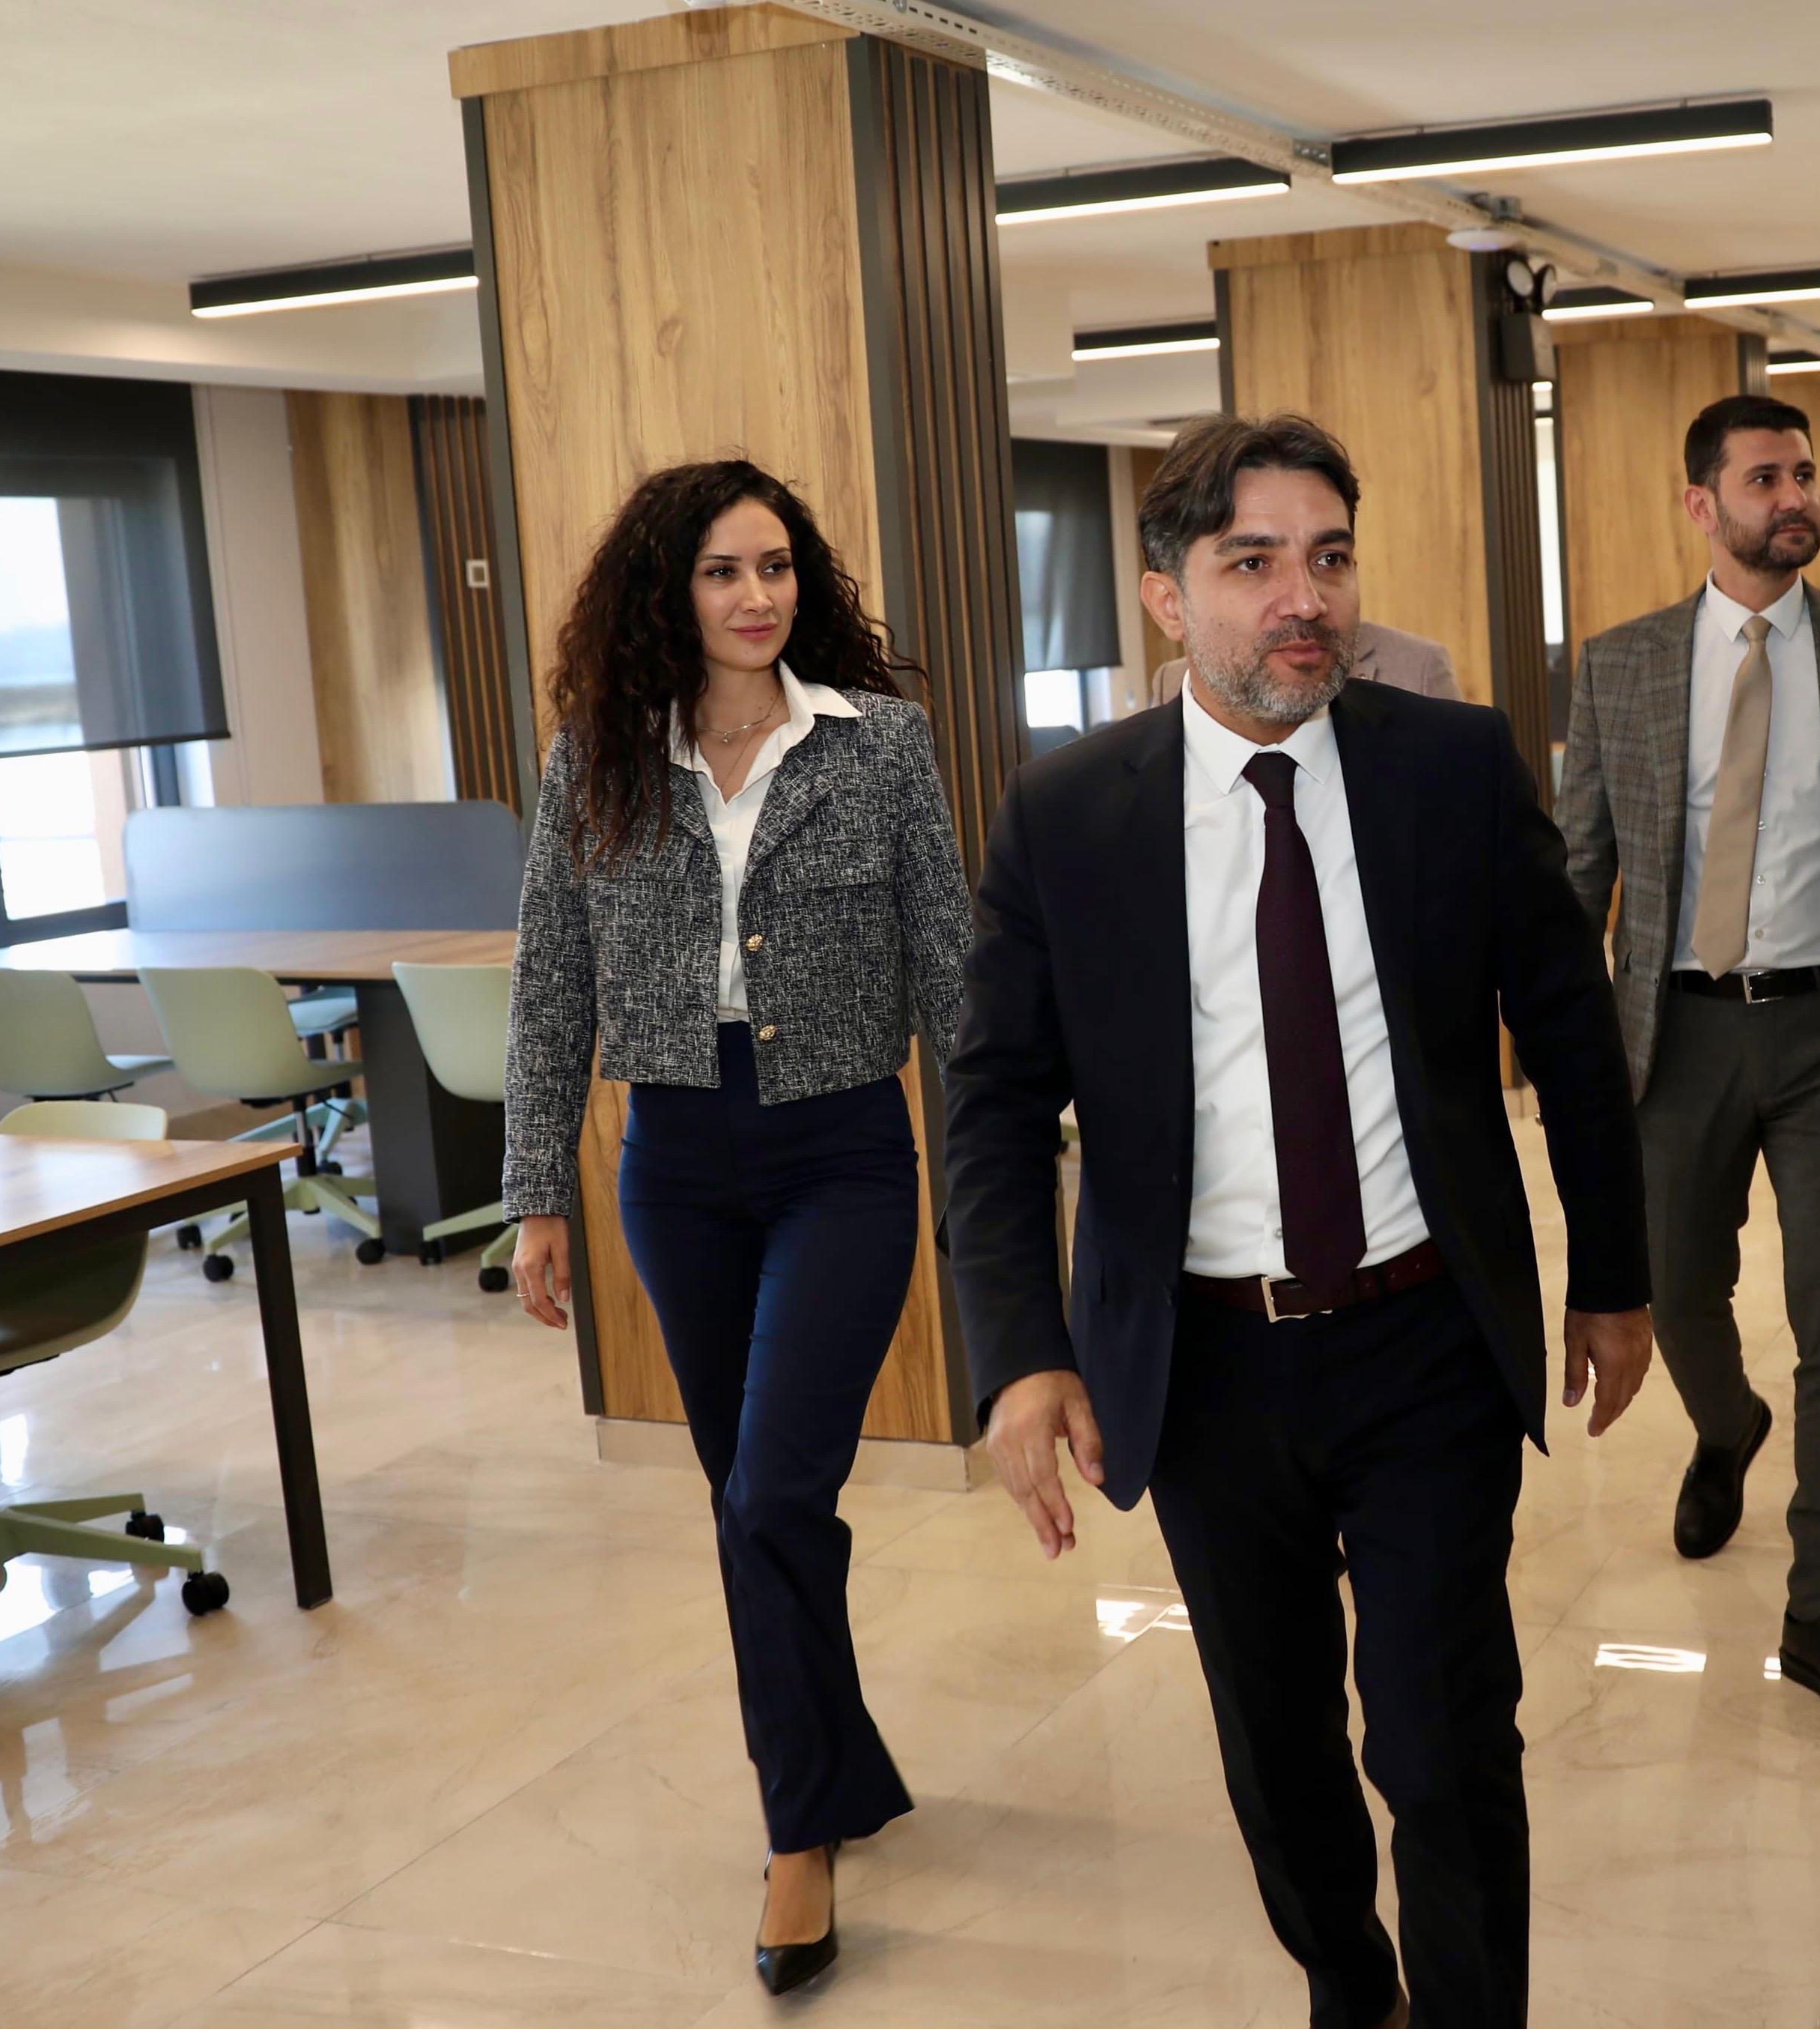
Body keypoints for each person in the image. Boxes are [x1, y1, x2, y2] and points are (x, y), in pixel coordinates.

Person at [943, 413, 1653, 2029]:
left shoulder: (1449, 769)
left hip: (1423, 1336)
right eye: (1251, 562)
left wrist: (1615, 1279)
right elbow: (991, 1100)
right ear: (1162, 596)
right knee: (1273, 1743)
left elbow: (1567, 1029)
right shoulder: (1068, 814)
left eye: (1327, 557)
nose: (1301, 598)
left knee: (1444, 1738)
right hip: (1202, 1364)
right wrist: (1020, 1351)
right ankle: (1351, 1983)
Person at [503, 460, 972, 2000]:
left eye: (774, 566)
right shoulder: (597, 758)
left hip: (843, 1151)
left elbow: (950, 962)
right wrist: (537, 1190)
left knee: (774, 1486)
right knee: (752, 1501)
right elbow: (551, 979)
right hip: (675, 1158)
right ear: (670, 591)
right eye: (721, 570)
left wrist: (1009, 1166)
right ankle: (839, 1765)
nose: (756, 595)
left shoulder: (878, 744)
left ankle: (798, 1833)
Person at [1557, 393, 1820, 1736]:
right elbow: (1581, 870)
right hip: (1676, 1029)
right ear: (1702, 504)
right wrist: (1563, 1046)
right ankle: (1725, 1424)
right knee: (1674, 1287)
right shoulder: (1619, 666)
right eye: (1764, 478)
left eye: (1802, 474)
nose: (1794, 496)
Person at [1151, 614, 1461, 707]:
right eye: (1253, 564)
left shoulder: (1419, 665)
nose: (1306, 602)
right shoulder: (1175, 681)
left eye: (1329, 559)